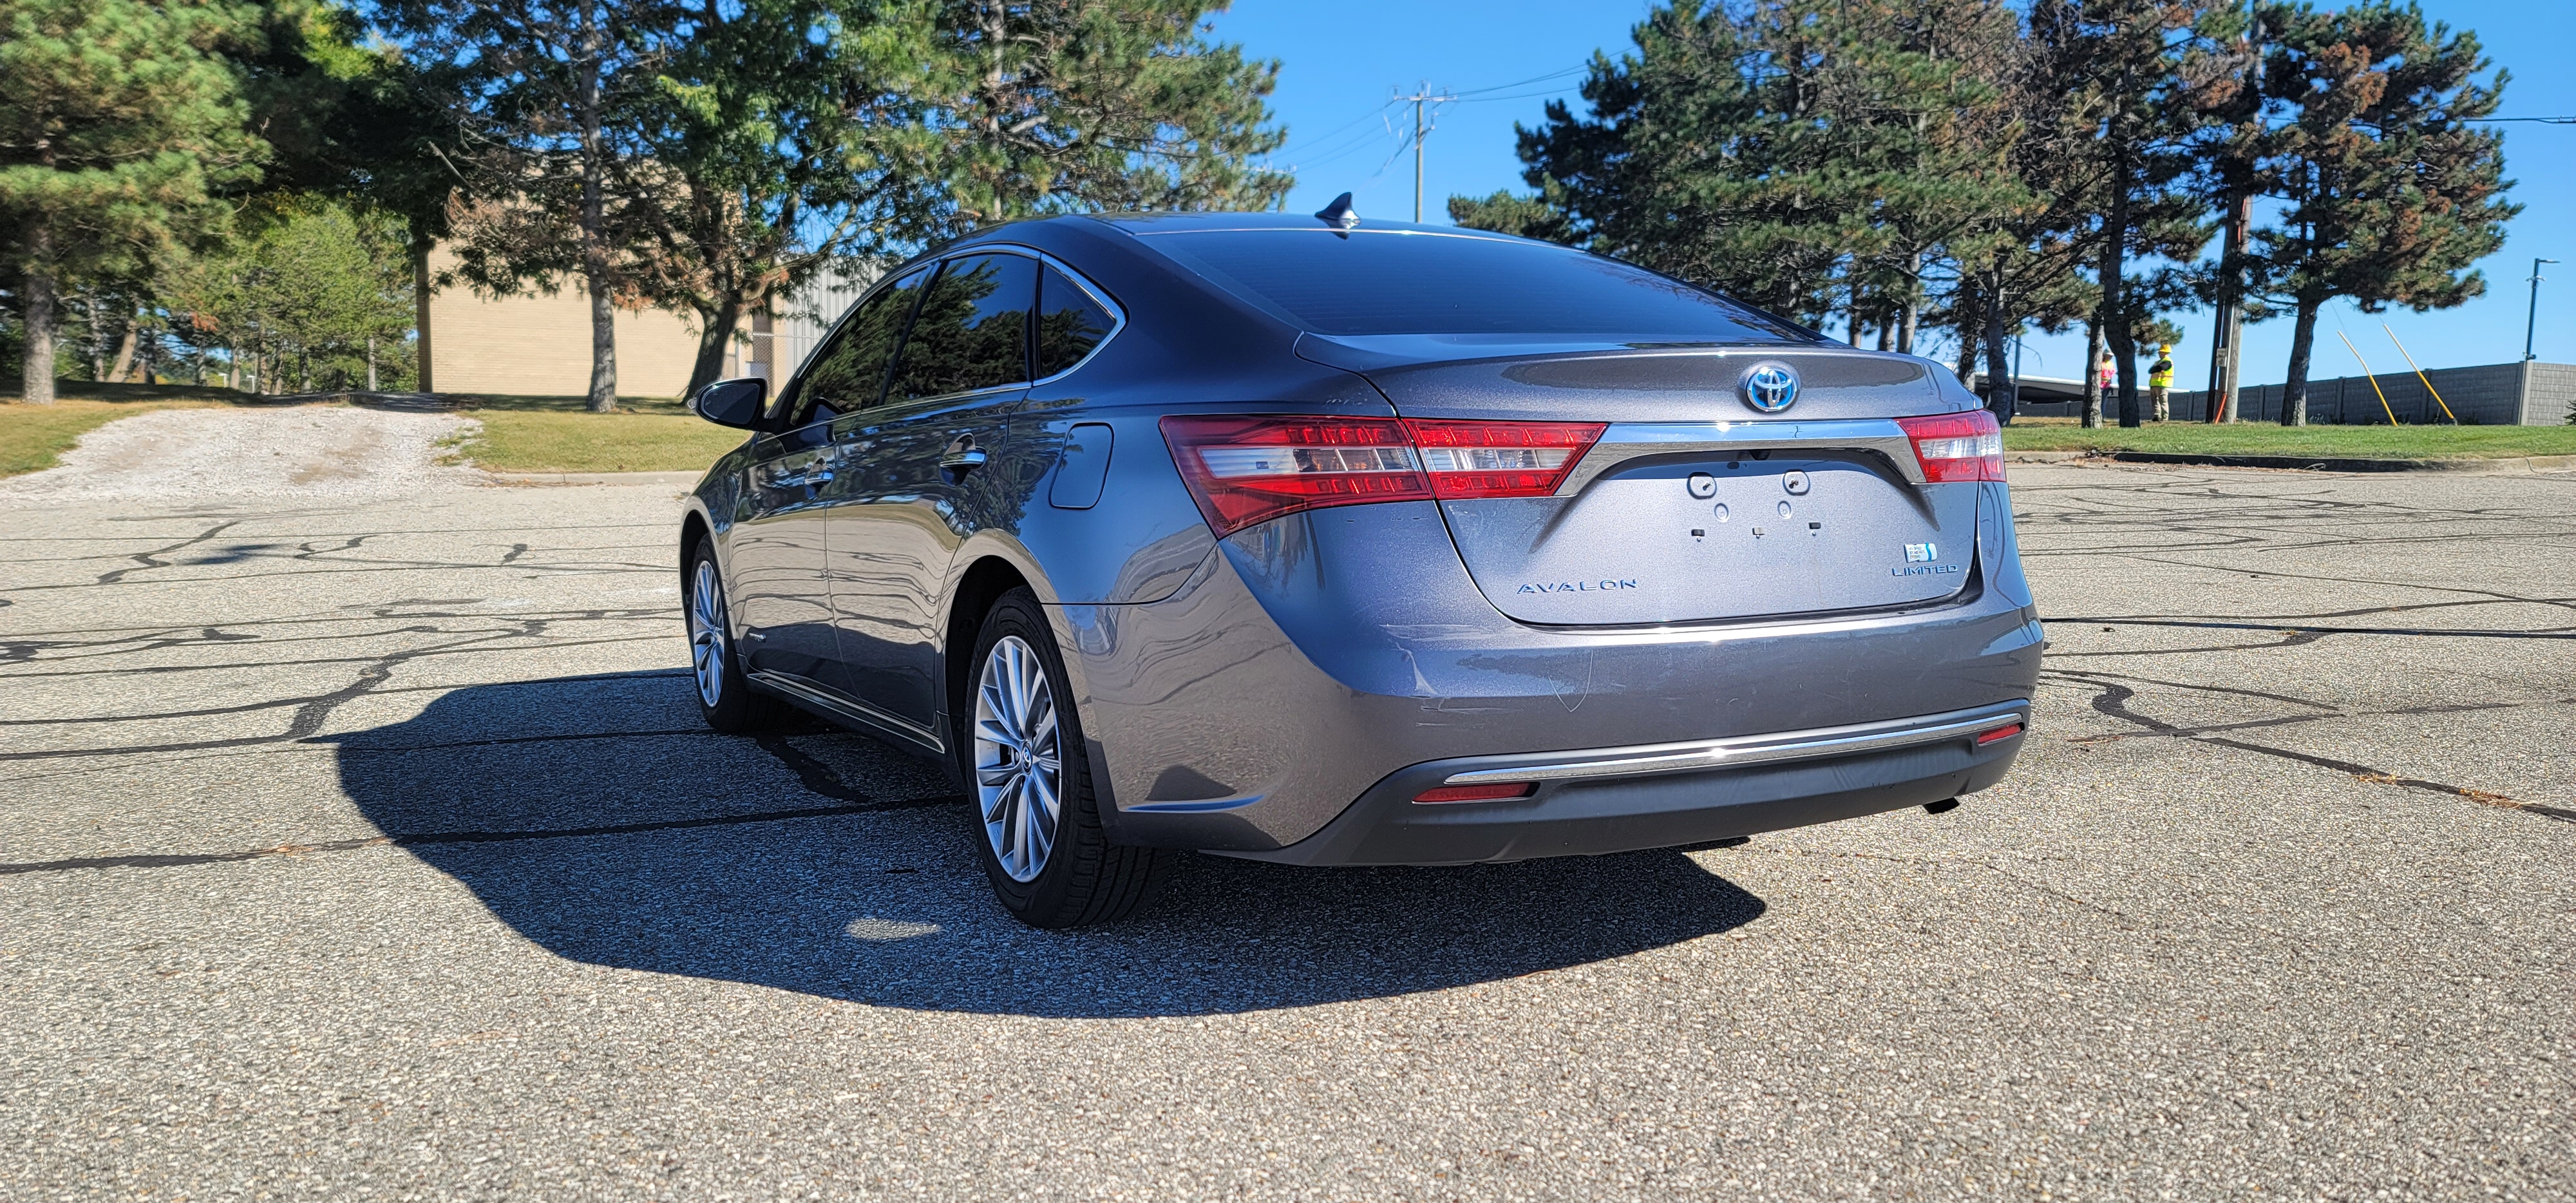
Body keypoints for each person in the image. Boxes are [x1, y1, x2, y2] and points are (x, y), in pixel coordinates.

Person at [2148, 343, 2175, 421]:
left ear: (2165, 353)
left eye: (2160, 352)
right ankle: (2156, 416)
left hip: (2163, 384)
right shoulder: (2158, 362)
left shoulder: (2168, 362)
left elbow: (2158, 368)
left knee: (2163, 402)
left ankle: (2164, 417)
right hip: (2154, 385)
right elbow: (2151, 371)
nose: (2159, 353)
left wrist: (2155, 368)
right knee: (2155, 402)